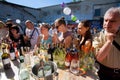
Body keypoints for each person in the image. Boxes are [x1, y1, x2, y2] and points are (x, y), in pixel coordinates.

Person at [93, 7, 120, 80]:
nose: (107, 24)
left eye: (112, 21)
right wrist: (108, 41)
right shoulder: (98, 36)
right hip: (104, 73)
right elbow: (99, 58)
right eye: (106, 20)